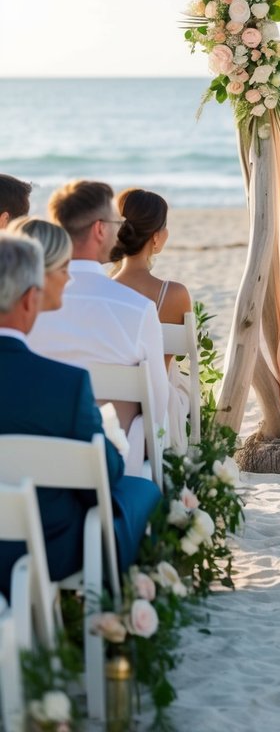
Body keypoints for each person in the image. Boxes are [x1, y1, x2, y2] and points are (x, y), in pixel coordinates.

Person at [0, 233, 160, 598]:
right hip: (44, 549)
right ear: (28, 300)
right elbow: (103, 476)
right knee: (141, 492)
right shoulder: (64, 385)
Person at [28, 180, 173, 474]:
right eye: (114, 221)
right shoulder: (137, 309)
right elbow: (157, 410)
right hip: (111, 473)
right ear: (99, 229)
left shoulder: (27, 306)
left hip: (33, 464)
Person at [111, 188, 192, 450]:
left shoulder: (102, 294)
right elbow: (164, 367)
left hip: (112, 404)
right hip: (159, 406)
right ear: (156, 237)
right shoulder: (175, 294)